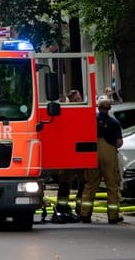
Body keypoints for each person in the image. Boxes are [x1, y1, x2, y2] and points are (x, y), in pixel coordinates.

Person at [79, 97, 124, 224]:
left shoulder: (90, 121)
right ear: (109, 108)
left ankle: (85, 214)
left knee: (90, 184)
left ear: (98, 107)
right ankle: (113, 216)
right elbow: (119, 143)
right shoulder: (114, 123)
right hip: (109, 154)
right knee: (112, 185)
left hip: (93, 153)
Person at [52, 89, 85, 223]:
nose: (79, 101)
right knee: (65, 181)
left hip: (81, 152)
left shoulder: (84, 113)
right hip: (68, 154)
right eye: (76, 99)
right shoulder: (65, 113)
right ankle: (62, 206)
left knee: (84, 181)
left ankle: (81, 208)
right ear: (70, 101)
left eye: (79, 99)